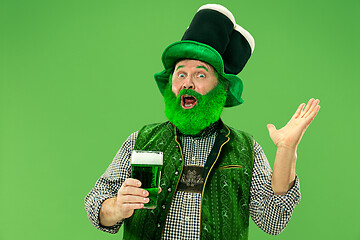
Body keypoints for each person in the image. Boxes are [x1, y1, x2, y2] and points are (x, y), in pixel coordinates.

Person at [84, 4, 320, 240]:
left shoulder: (246, 149)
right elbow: (96, 202)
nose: (188, 83)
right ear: (171, 85)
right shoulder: (141, 141)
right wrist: (115, 207)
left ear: (221, 88)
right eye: (181, 73)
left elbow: (273, 220)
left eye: (200, 74)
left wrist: (286, 150)